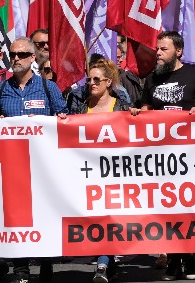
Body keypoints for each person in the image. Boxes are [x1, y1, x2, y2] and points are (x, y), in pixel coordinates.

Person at [132, 31, 195, 281]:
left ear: (178, 51)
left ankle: (178, 261)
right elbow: (146, 110)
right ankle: (184, 259)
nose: (157, 53)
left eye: (163, 49)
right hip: (161, 156)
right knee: (168, 209)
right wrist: (137, 115)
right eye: (157, 48)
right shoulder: (151, 78)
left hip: (189, 154)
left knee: (186, 207)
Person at [0, 37, 67, 283]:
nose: (16, 59)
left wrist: (46, 122)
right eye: (13, 54)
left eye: (22, 54)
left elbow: (65, 119)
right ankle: (21, 270)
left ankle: (46, 264)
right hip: (14, 166)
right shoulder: (1, 89)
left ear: (33, 58)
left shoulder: (48, 87)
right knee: (16, 218)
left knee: (44, 215)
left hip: (43, 166)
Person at [68, 59, 132, 283]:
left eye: (97, 79)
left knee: (109, 218)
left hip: (114, 173)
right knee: (97, 219)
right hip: (89, 173)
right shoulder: (80, 107)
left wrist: (135, 117)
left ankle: (103, 264)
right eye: (89, 79)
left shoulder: (121, 106)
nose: (91, 83)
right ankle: (108, 262)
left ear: (108, 82)